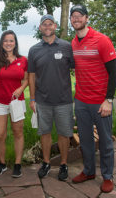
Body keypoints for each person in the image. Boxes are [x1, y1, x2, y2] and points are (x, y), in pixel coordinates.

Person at [69, 4, 116, 193]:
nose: (76, 19)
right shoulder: (73, 43)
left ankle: (107, 176)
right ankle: (89, 171)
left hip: (100, 102)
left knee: (105, 141)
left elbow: (114, 72)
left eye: (79, 15)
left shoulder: (102, 40)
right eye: (73, 16)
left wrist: (109, 99)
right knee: (86, 140)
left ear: (87, 18)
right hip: (81, 101)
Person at [28, 15, 75, 181]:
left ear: (55, 26)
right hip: (42, 101)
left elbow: (77, 69)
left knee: (64, 134)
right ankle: (46, 163)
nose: (47, 27)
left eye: (50, 24)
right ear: (40, 28)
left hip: (64, 100)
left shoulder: (66, 46)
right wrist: (32, 99)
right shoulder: (34, 50)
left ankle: (63, 164)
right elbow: (31, 76)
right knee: (45, 133)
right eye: (44, 24)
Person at [0, 30, 28, 178]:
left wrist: (21, 88)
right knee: (0, 134)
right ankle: (2, 164)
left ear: (15, 43)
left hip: (17, 101)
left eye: (11, 41)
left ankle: (17, 164)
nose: (8, 43)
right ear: (1, 43)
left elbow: (26, 79)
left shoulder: (23, 60)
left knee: (18, 132)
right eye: (6, 41)